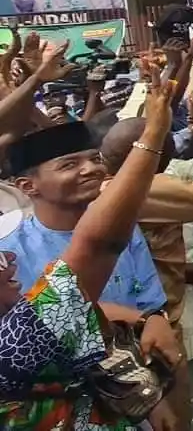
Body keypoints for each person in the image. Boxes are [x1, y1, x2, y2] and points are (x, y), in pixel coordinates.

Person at [0, 59, 178, 431]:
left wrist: (155, 321)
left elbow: (147, 298)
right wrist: (155, 132)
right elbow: (93, 259)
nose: (91, 170)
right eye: (69, 165)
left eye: (94, 159)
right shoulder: (11, 253)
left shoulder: (126, 229)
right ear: (27, 187)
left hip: (140, 384)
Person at [98, 80, 193, 431]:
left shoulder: (119, 185)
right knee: (180, 417)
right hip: (152, 329)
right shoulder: (134, 188)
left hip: (146, 319)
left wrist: (179, 266)